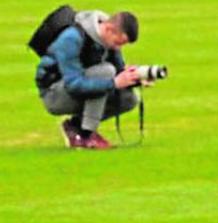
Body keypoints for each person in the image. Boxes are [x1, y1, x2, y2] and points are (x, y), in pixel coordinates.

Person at [35, 10, 142, 150]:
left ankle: (75, 127)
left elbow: (119, 70)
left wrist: (136, 78)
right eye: (118, 43)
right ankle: (87, 135)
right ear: (109, 29)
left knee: (129, 98)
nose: (118, 48)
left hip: (79, 86)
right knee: (105, 72)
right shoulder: (72, 38)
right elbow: (73, 84)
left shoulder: (108, 40)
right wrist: (113, 83)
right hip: (54, 94)